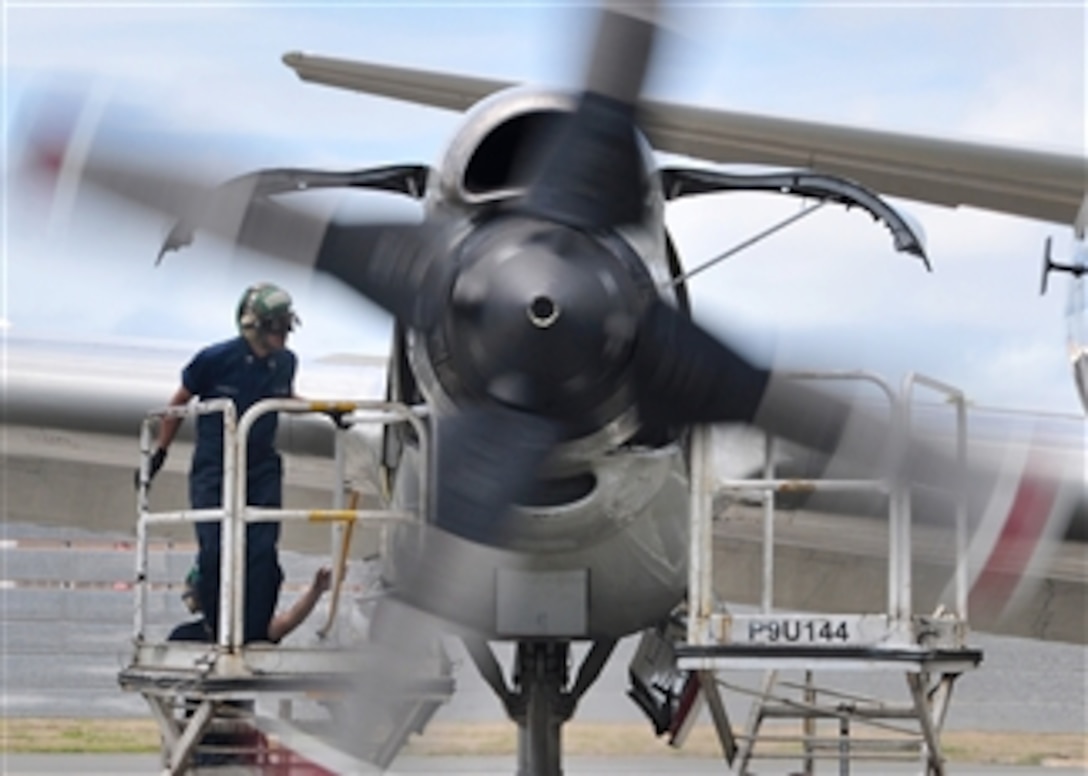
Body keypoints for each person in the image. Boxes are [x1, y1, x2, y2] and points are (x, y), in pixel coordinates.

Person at [144, 282, 300, 644]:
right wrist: (160, 453)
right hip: (216, 467)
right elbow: (178, 403)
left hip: (260, 467)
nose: (282, 336)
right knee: (215, 550)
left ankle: (254, 630)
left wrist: (325, 411)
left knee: (262, 550)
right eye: (276, 327)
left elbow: (285, 397)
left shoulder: (285, 363)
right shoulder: (214, 360)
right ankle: (217, 628)